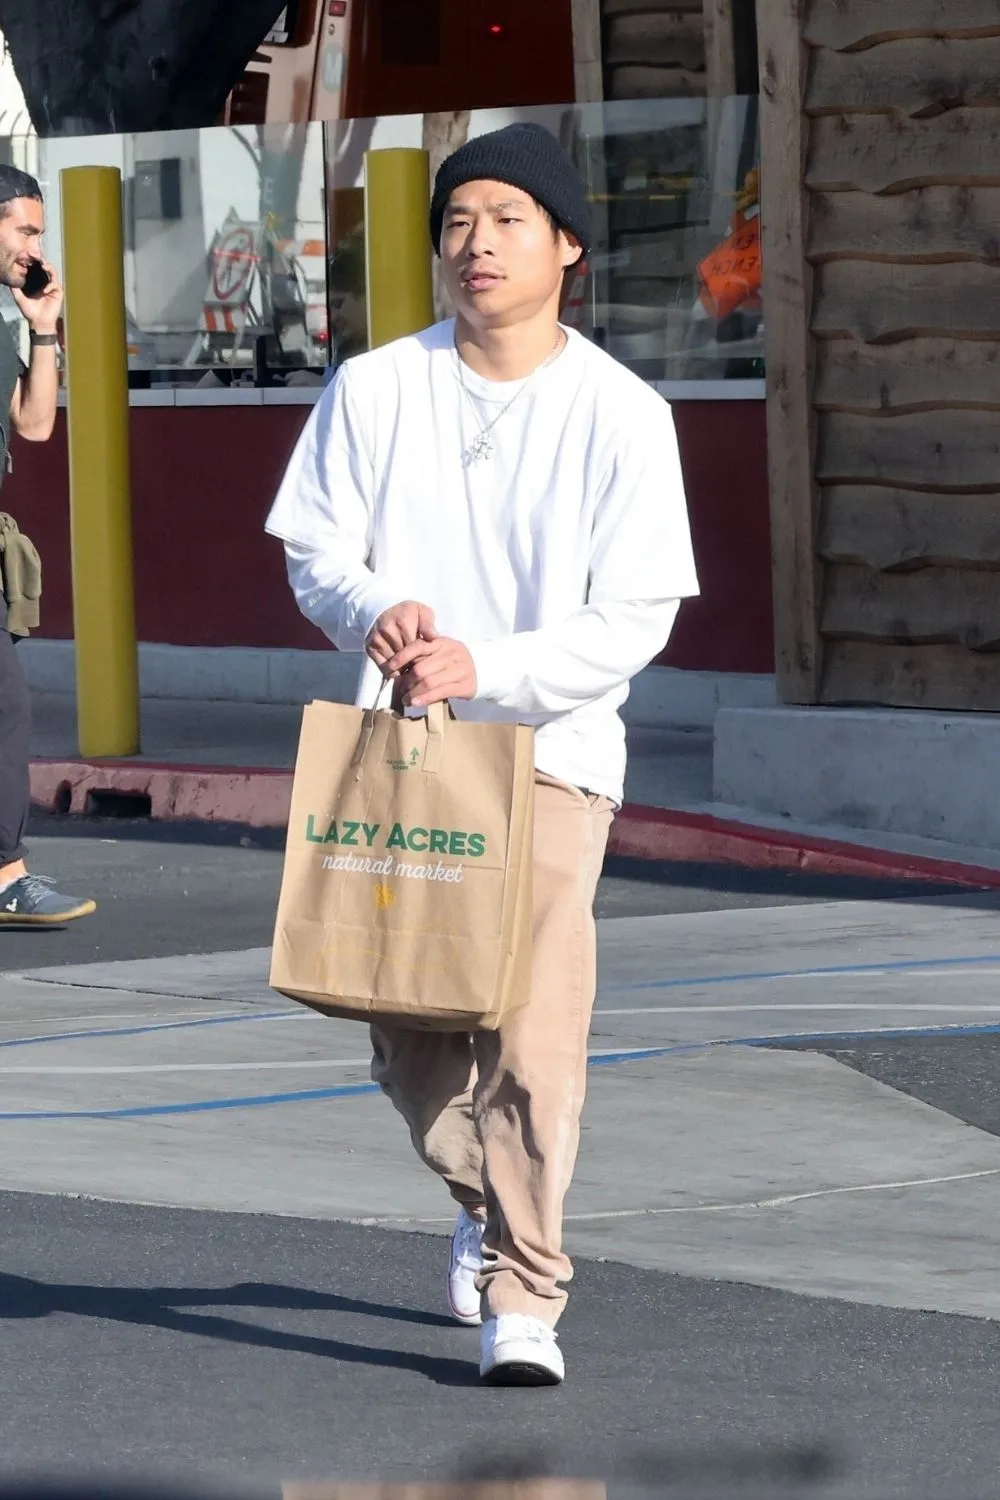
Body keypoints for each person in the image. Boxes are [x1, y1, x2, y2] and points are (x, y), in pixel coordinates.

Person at [266, 124, 697, 1385]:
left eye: (509, 218)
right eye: (459, 221)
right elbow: (317, 553)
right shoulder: (376, 386)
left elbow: (636, 616)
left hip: (555, 756)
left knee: (531, 1035)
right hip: (404, 753)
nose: (477, 242)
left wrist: (489, 667)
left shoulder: (623, 413)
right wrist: (374, 613)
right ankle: (481, 1200)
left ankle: (527, 1291)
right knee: (406, 1036)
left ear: (566, 245)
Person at [0, 165, 95, 928]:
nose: (36, 247)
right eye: (26, 230)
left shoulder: (5, 318)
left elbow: (34, 425)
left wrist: (42, 326)